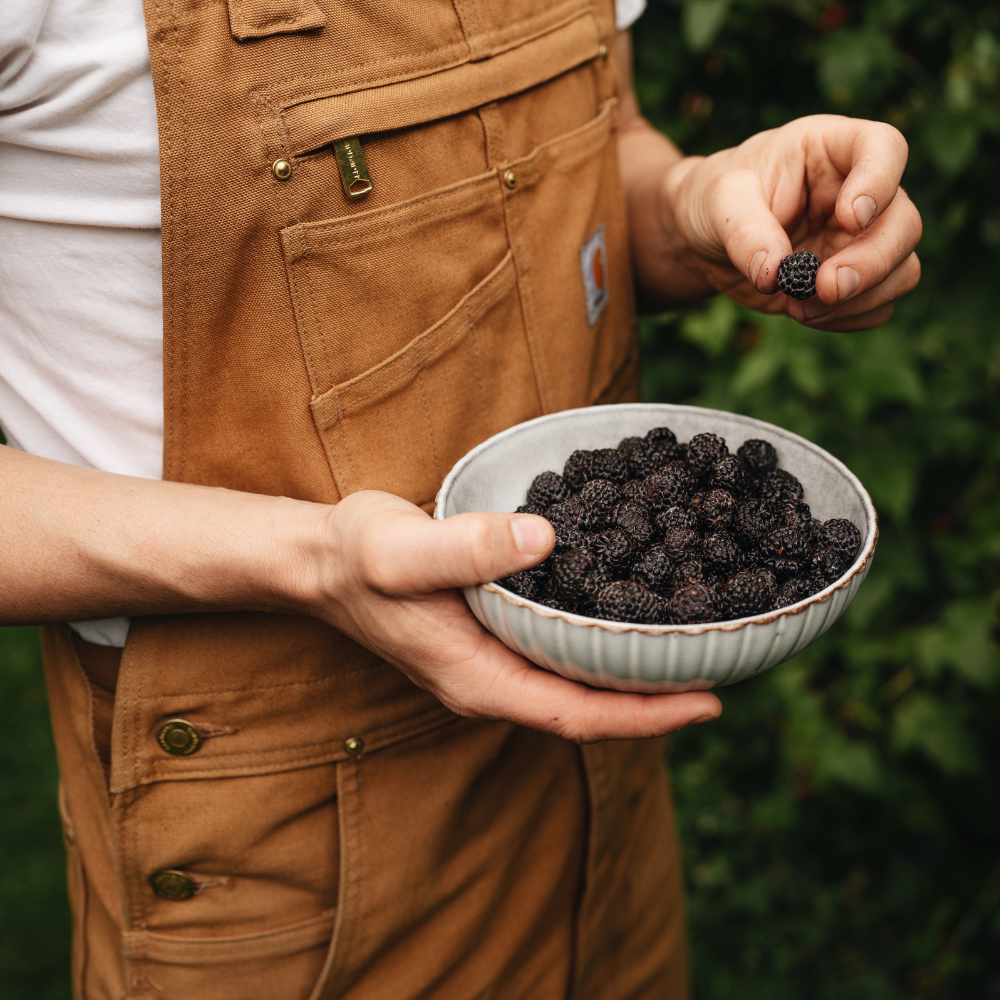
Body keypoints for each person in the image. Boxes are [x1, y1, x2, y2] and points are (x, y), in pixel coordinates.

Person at [0, 0, 921, 995]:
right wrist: (308, 557)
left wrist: (694, 204)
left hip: (598, 790)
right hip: (287, 855)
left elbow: (590, 148)